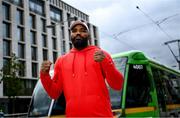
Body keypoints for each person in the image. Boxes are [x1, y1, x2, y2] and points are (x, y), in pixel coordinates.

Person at [40, 20, 124, 117]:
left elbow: (117, 85)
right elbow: (54, 93)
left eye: (83, 30)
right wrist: (44, 75)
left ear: (88, 35)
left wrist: (106, 63)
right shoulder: (62, 61)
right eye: (74, 31)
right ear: (71, 35)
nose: (78, 33)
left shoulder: (101, 55)